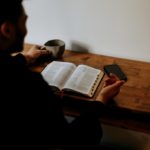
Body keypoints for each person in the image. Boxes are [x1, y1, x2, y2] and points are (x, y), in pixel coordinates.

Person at [0, 1, 125, 150]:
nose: (26, 30)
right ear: (7, 30)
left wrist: (27, 57)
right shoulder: (29, 84)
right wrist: (101, 99)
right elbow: (71, 141)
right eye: (24, 21)